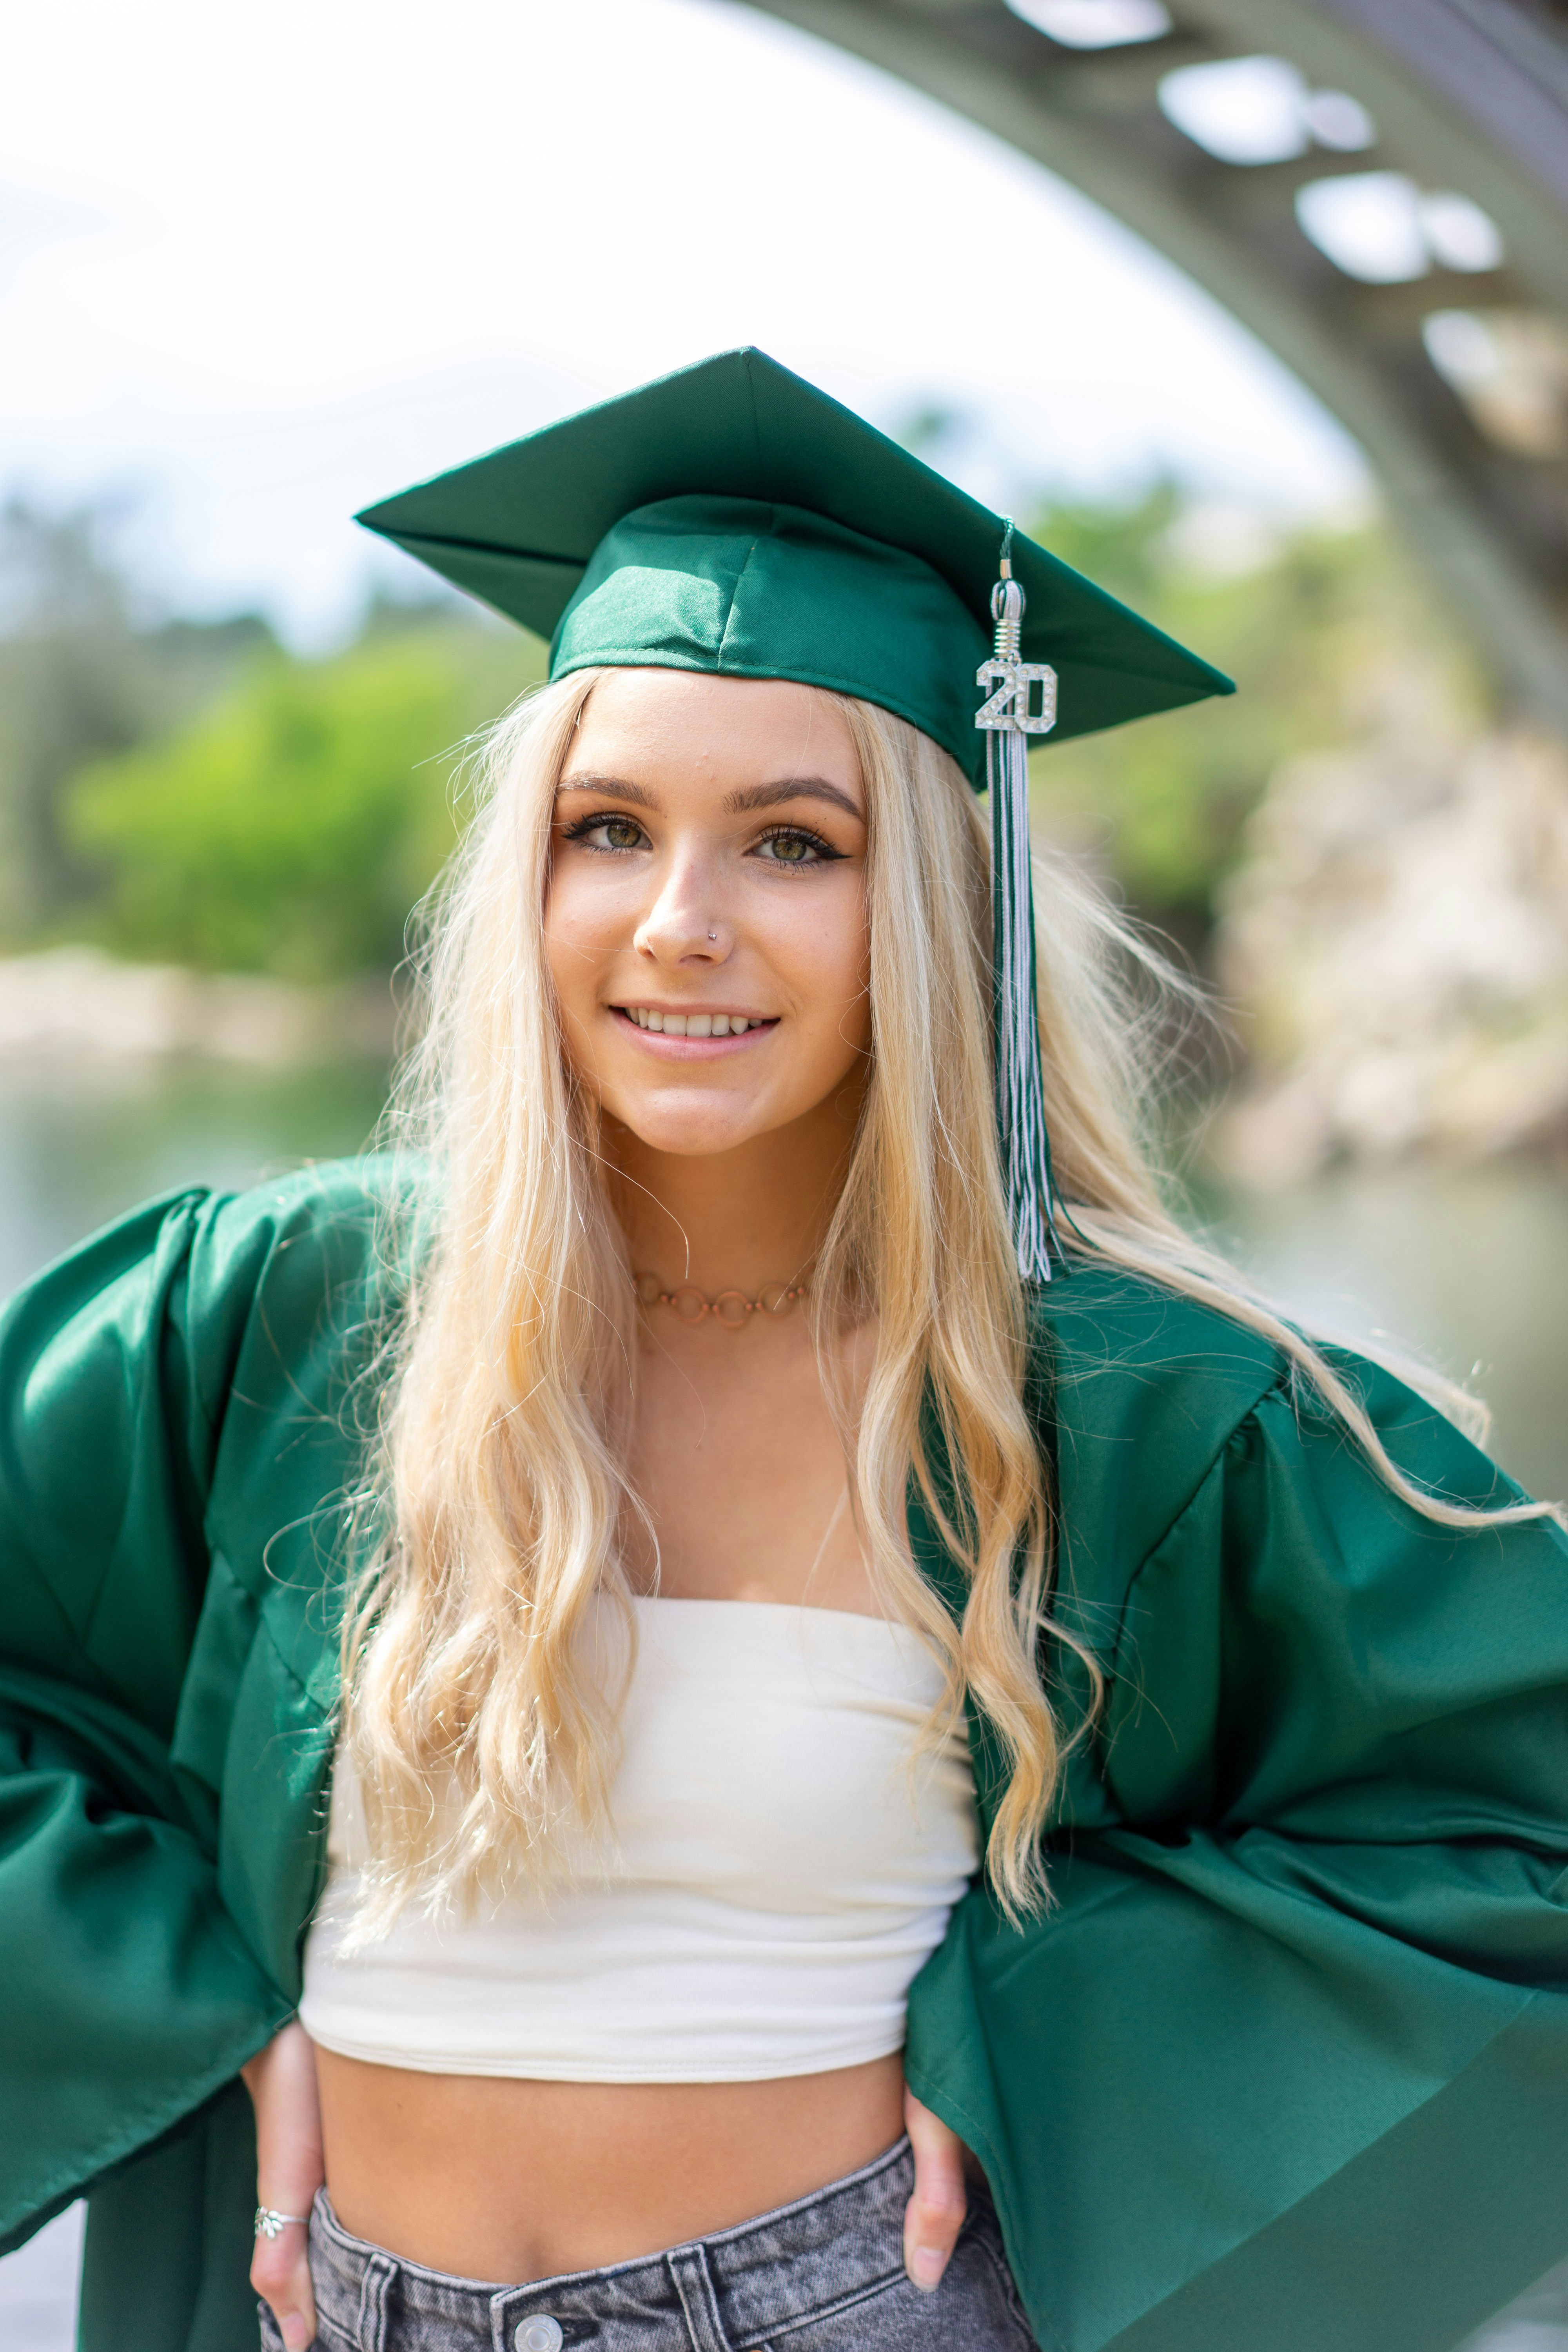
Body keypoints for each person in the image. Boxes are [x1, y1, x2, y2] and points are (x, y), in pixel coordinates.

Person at [2, 349, 1567, 2352]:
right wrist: (192, 2015)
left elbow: (1508, 1824)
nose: (679, 921)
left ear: (928, 897)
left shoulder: (1123, 1401)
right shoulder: (286, 1314)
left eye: (793, 845)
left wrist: (1054, 2065)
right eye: (606, 830)